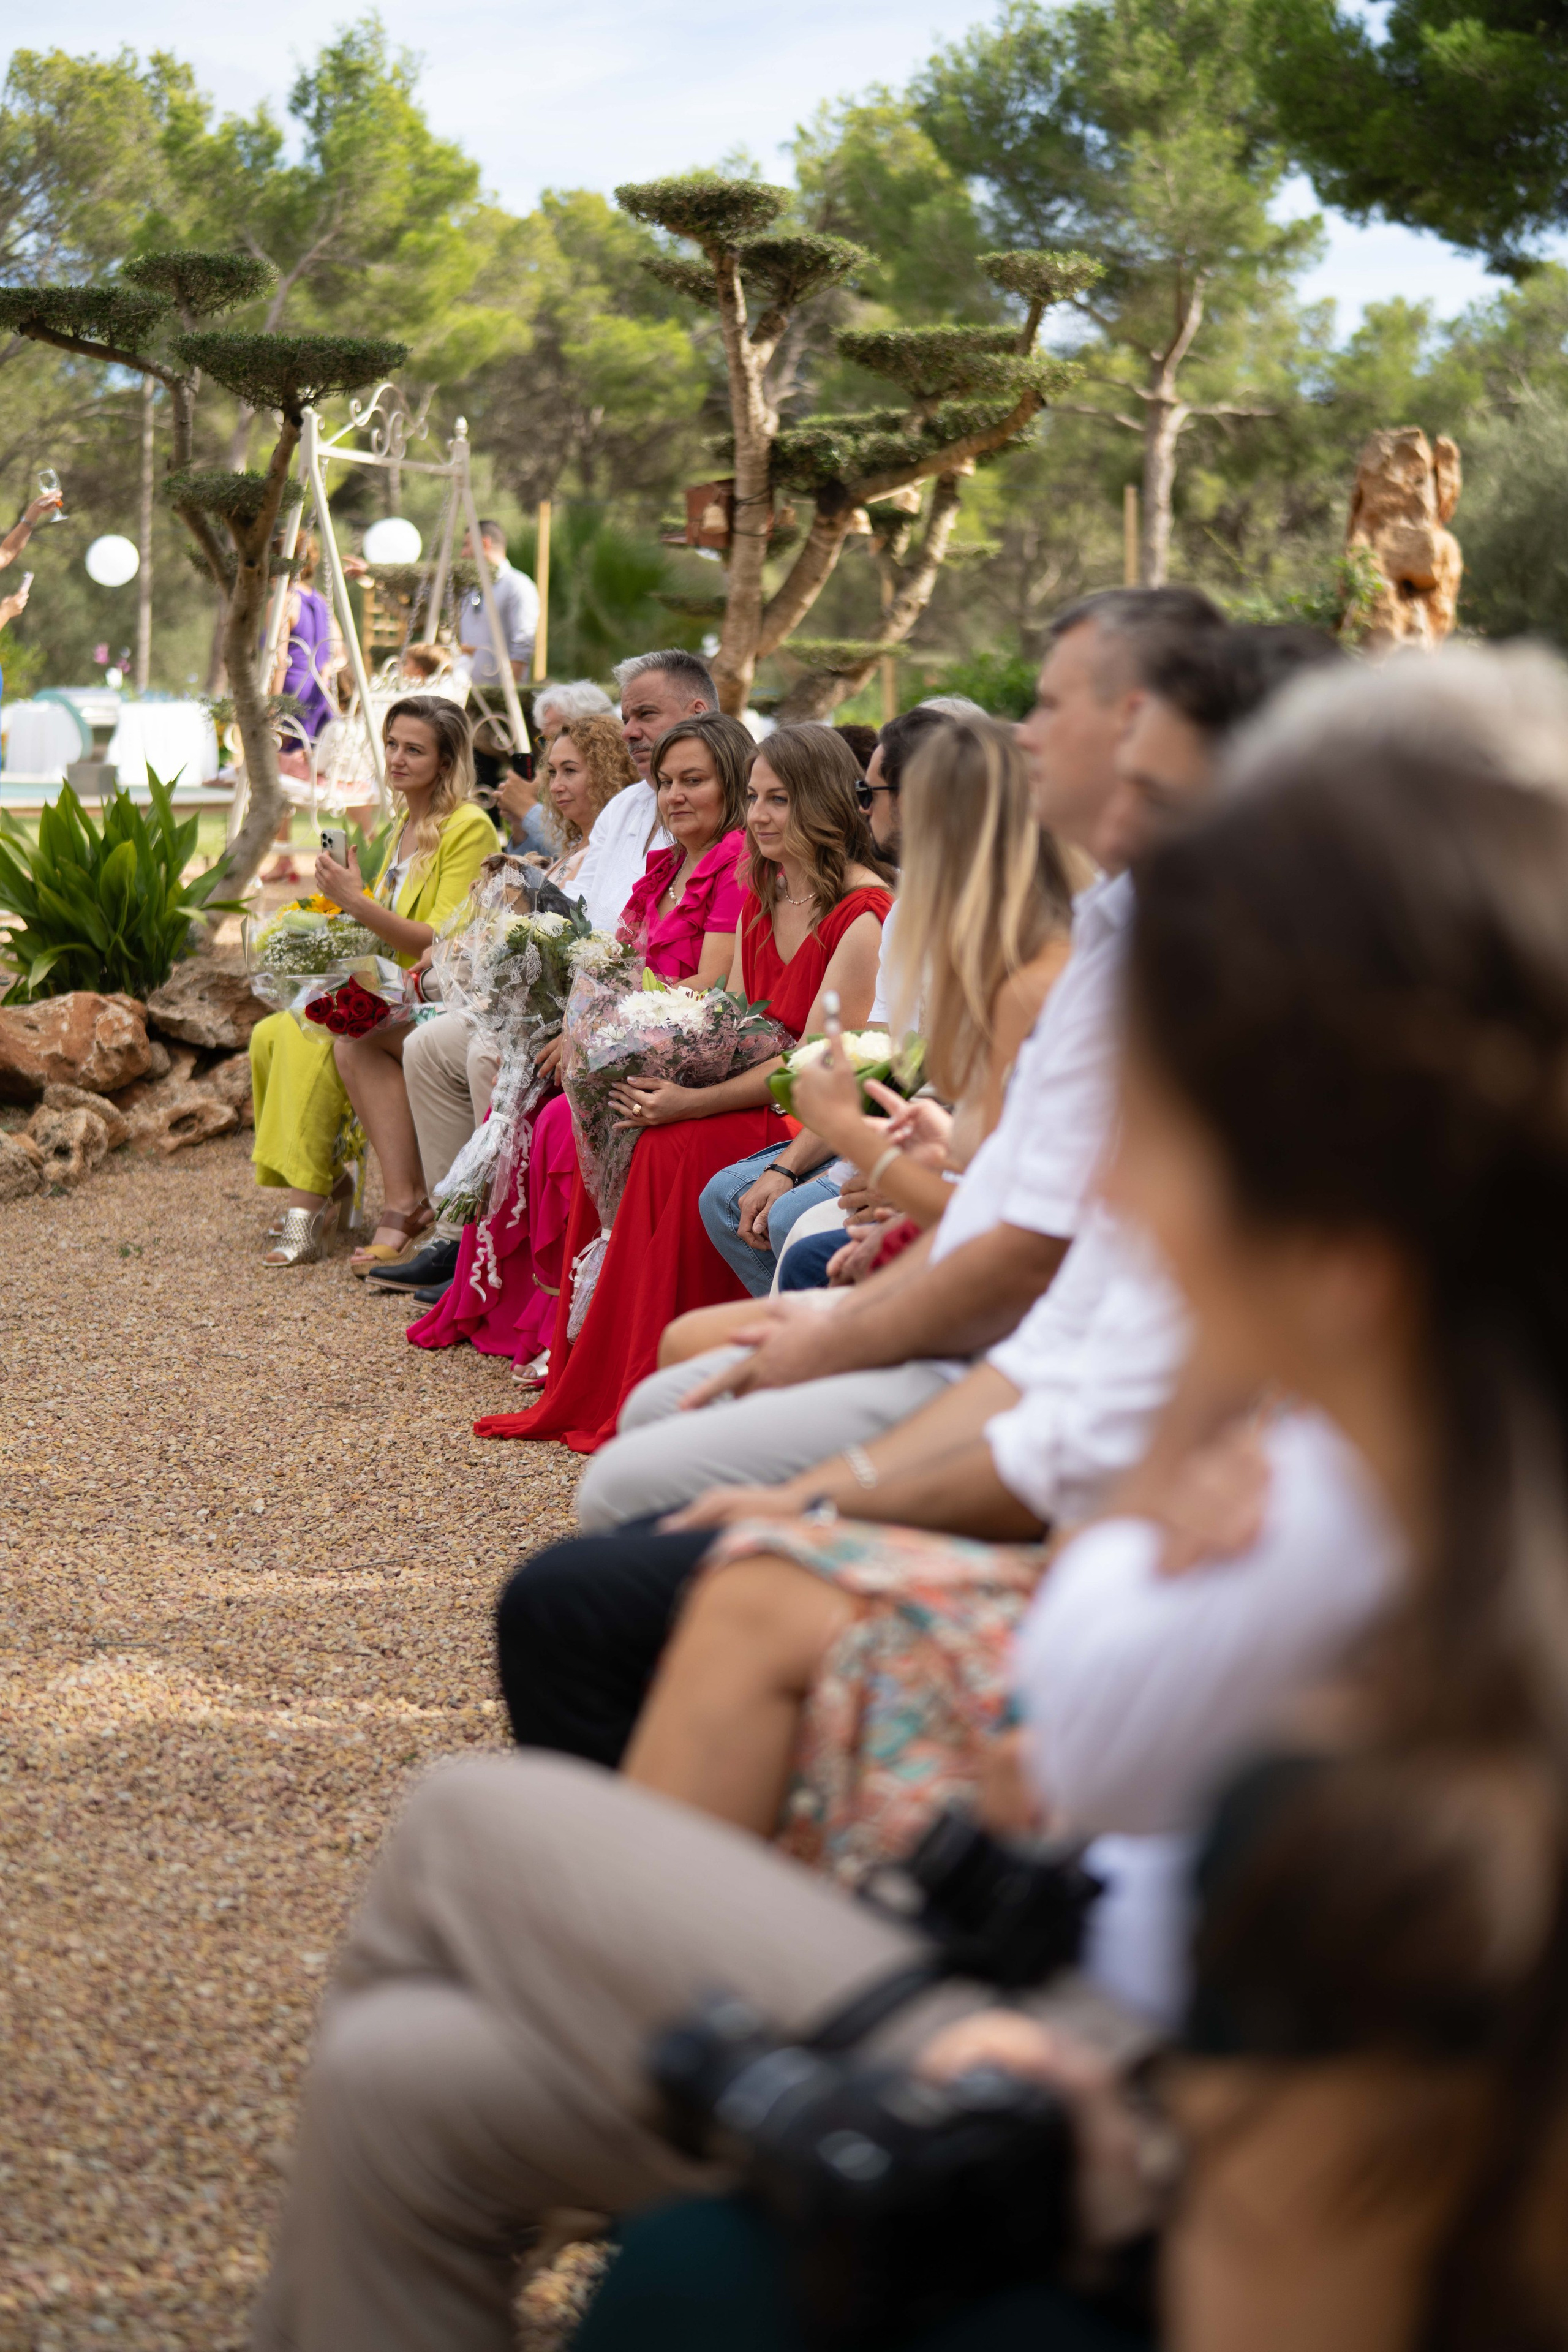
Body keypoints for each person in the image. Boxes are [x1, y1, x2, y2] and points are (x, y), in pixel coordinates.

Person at [252, 644, 1568, 2352]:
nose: (1113, 1180)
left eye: (1166, 1112)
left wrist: (971, 2042)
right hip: (1067, 1999)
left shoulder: (1371, 1593)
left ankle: (774, 2058)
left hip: (1082, 2094)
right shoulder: (1360, 1438)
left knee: (475, 1816)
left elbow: (1285, 2224)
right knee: (402, 2074)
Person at [493, 626, 1336, 1797]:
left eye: (1059, 710)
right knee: (668, 1400)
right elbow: (1050, 1275)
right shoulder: (1116, 946)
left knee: (616, 1515)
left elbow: (1058, 1321)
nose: (1029, 735)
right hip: (1012, 1367)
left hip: (1029, 1406)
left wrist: (821, 1475)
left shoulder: (1162, 985)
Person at [565, 589, 1225, 1530]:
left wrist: (850, 1149)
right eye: (750, 797)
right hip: (935, 1222)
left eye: (772, 796)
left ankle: (783, 1507)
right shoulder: (848, 908)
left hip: (1006, 1330)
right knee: (680, 1316)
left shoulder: (1006, 957)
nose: (1029, 734)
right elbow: (993, 1163)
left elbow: (1025, 1245)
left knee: (654, 1429)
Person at [475, 725, 894, 1452]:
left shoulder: (862, 916)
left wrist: (690, 1101)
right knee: (623, 1119)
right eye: (755, 798)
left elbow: (826, 1067)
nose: (758, 816)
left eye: (780, 800)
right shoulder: (766, 887)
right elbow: (729, 1021)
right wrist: (646, 1053)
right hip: (756, 1085)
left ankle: (668, 1375)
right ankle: (605, 1366)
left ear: (826, 802)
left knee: (675, 1143)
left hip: (808, 1115)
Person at [402, 715, 753, 1362]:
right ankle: (526, 1302)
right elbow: (611, 959)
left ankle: (576, 1323)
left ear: (732, 782)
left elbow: (711, 985)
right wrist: (573, 1019)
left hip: (687, 1047)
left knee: (560, 1118)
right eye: (667, 782)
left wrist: (596, 1034)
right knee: (520, 1091)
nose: (673, 796)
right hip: (626, 1033)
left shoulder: (733, 864)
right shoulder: (666, 866)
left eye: (693, 781)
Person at [248, 698, 497, 1269]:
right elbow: (384, 935)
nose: (398, 759)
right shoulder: (401, 826)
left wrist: (355, 903)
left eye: (415, 749)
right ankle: (330, 1182)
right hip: (389, 987)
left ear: (446, 759)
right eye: (392, 745)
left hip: (443, 998)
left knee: (324, 1036)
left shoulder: (467, 826)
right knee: (271, 1030)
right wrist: (340, 912)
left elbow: (437, 937)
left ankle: (316, 1208)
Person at [571, 650, 718, 929]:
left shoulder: (738, 810)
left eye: (646, 715)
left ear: (698, 713)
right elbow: (579, 902)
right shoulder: (623, 805)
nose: (628, 733)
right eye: (626, 719)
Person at [456, 519, 538, 692]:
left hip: (498, 705)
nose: (463, 554)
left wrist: (504, 697)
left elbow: (523, 645)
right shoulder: (470, 587)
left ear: (484, 544)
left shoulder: (517, 585)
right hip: (466, 695)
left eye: (467, 545)